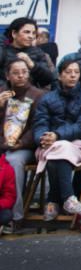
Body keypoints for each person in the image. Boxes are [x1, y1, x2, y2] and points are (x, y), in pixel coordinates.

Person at [32, 59, 81, 221]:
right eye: (68, 72)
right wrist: (43, 138)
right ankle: (68, 198)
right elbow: (40, 123)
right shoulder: (47, 98)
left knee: (60, 148)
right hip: (51, 144)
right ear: (59, 76)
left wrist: (57, 136)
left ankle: (53, 199)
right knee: (56, 153)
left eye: (76, 72)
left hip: (78, 143)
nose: (73, 75)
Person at [0, 59, 46, 232]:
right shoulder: (2, 93)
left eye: (24, 72)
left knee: (13, 162)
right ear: (7, 76)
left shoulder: (38, 95)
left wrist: (22, 142)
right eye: (16, 73)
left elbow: (39, 125)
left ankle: (15, 216)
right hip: (2, 143)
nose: (20, 76)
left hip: (25, 146)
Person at [1, 18, 56, 90]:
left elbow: (48, 79)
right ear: (14, 33)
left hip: (30, 97)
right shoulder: (3, 51)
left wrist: (32, 65)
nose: (31, 36)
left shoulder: (38, 53)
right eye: (27, 32)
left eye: (33, 33)